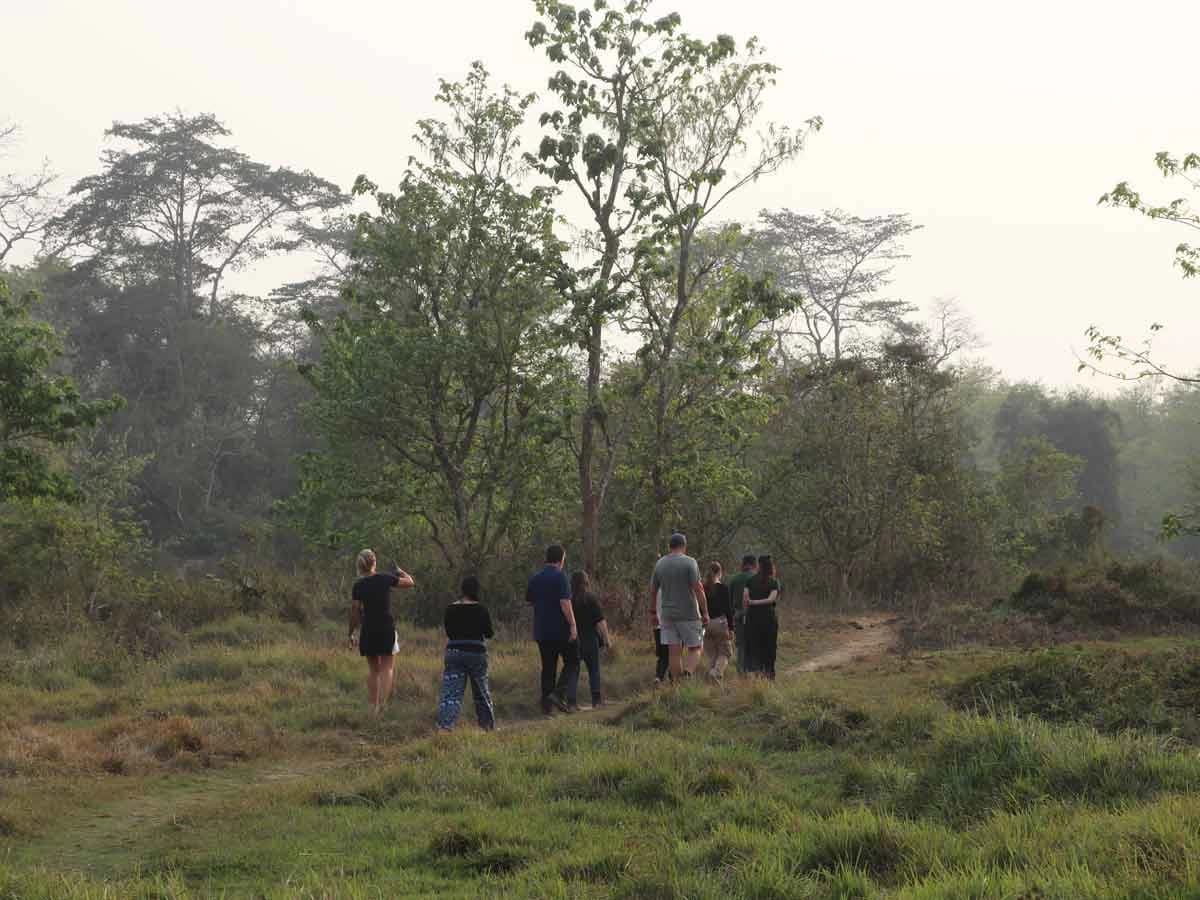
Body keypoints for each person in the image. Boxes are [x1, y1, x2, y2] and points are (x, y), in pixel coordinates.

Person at [348, 549, 415, 715]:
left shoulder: (358, 586)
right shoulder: (385, 578)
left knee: (373, 670)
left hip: (368, 629)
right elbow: (410, 582)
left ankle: (373, 706)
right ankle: (383, 706)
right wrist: (400, 571)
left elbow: (355, 611)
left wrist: (350, 632)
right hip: (386, 628)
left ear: (359, 565)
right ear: (374, 563)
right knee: (387, 668)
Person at [436, 576, 496, 731]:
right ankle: (487, 727)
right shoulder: (481, 609)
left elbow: (449, 632)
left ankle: (445, 727)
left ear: (462, 590)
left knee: (451, 694)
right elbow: (489, 633)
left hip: (454, 653)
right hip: (476, 653)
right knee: (481, 692)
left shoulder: (450, 609)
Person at [526, 544, 579, 715]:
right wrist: (572, 625)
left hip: (542, 630)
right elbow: (565, 603)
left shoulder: (535, 578)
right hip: (561, 630)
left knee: (548, 668)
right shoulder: (560, 577)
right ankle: (558, 693)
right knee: (573, 661)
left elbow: (530, 600)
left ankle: (546, 708)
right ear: (561, 559)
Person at [649, 533, 709, 680]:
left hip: (667, 615)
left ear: (670, 546)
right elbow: (698, 589)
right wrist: (705, 612)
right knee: (696, 648)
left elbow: (652, 590)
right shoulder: (690, 562)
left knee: (673, 653)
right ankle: (688, 673)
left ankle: (675, 687)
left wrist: (653, 612)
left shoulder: (660, 564)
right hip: (688, 614)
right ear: (684, 546)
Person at [567, 571, 612, 709]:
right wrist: (607, 639)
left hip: (574, 640)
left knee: (573, 670)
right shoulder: (591, 599)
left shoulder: (569, 600)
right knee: (594, 670)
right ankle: (596, 701)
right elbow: (600, 621)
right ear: (586, 582)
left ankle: (572, 702)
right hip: (591, 640)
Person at [742, 554, 781, 679]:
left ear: (759, 565)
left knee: (754, 646)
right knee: (769, 646)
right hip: (768, 619)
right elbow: (771, 599)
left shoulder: (750, 581)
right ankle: (769, 674)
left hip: (752, 619)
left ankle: (757, 674)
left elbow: (745, 599)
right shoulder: (774, 582)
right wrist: (757, 602)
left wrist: (751, 604)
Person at [701, 561, 734, 680]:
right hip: (720, 623)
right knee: (725, 653)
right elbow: (728, 610)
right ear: (720, 573)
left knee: (712, 655)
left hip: (705, 625)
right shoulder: (724, 588)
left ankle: (711, 683)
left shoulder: (702, 588)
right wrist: (731, 628)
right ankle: (716, 673)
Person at [726, 554, 758, 674]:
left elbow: (728, 602)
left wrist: (731, 620)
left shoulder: (734, 579)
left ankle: (741, 673)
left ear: (743, 564)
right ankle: (755, 673)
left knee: (741, 646)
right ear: (754, 565)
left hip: (738, 616)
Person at [651, 590, 670, 684]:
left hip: (658, 626)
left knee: (662, 655)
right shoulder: (674, 588)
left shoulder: (657, 590)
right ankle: (673, 679)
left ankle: (658, 677)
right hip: (672, 626)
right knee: (674, 654)